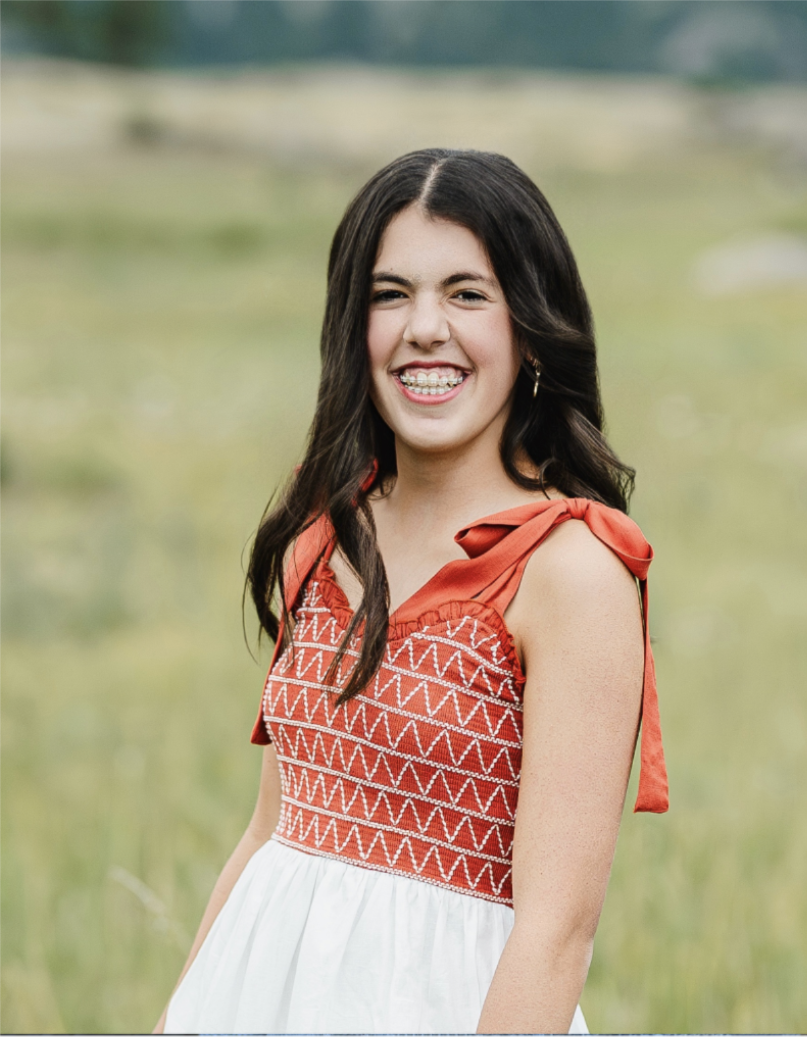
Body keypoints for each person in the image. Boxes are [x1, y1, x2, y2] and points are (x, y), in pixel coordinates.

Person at [156, 148, 668, 1035]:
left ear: (531, 327)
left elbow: (556, 932)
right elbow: (268, 829)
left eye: (467, 294)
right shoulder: (323, 532)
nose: (423, 327)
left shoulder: (570, 571)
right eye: (391, 294)